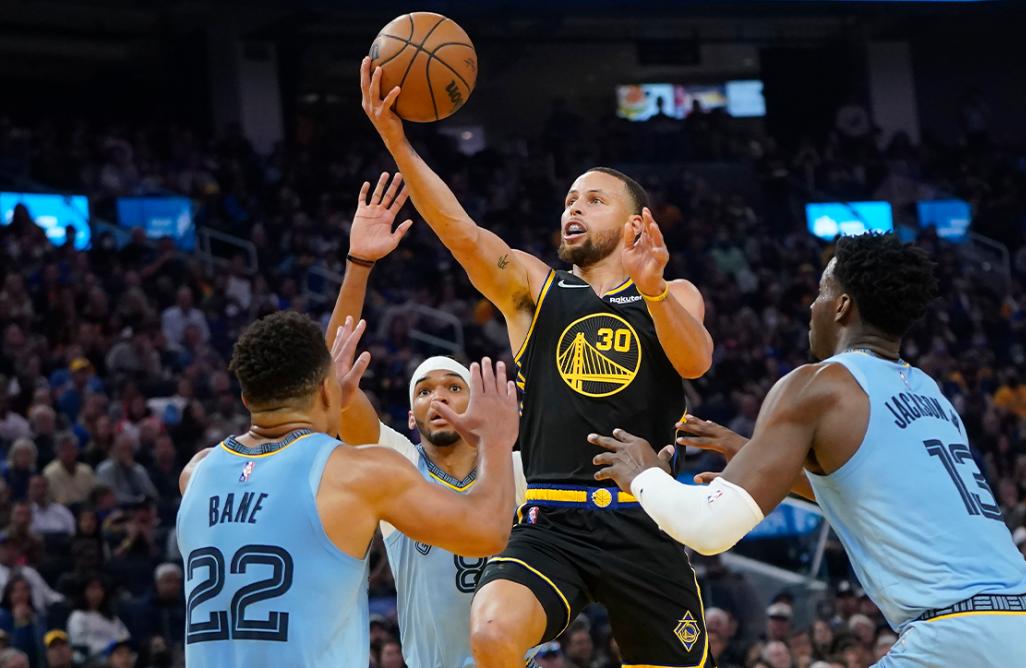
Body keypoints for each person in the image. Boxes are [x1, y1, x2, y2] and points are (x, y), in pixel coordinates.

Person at [361, 58, 716, 667]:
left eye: (594, 200)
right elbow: (462, 232)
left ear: (636, 224)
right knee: (493, 631)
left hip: (647, 520)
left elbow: (696, 361)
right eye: (570, 199)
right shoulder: (535, 286)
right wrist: (397, 139)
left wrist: (652, 288)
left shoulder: (673, 294)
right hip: (553, 517)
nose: (572, 208)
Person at [591, 233, 1026, 667]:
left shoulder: (816, 385)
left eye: (821, 292)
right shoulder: (928, 391)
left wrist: (643, 475)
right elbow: (875, 500)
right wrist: (753, 454)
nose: (813, 307)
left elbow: (709, 530)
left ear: (841, 306)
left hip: (962, 637)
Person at [175, 309, 518, 667]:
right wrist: (494, 439)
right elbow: (489, 532)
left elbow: (285, 470)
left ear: (246, 398)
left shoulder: (196, 474)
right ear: (327, 389)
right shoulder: (357, 474)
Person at [322, 173, 529, 668]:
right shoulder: (395, 465)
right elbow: (335, 372)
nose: (439, 397)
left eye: (454, 388)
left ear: (478, 404)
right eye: (425, 391)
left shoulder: (517, 467)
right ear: (411, 419)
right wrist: (359, 264)